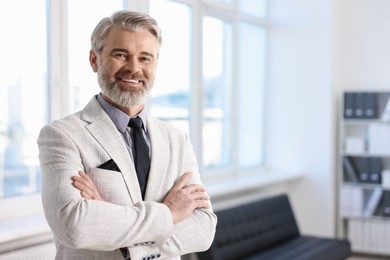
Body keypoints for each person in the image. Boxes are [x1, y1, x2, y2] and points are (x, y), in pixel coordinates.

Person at [37, 10, 217, 260]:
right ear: (94, 60)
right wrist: (170, 213)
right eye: (121, 55)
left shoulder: (177, 140)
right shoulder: (61, 135)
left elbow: (204, 228)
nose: (134, 68)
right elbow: (75, 224)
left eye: (145, 58)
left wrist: (113, 221)